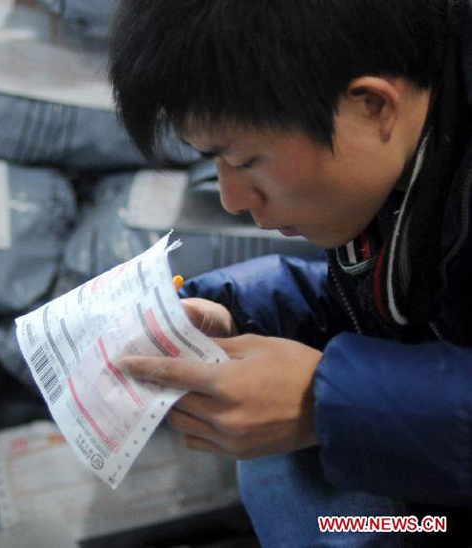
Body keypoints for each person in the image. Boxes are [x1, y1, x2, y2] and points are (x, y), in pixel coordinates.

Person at [109, 1, 471, 546]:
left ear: (373, 105)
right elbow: (395, 311)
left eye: (246, 160)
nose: (232, 198)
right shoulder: (405, 166)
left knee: (328, 511)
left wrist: (324, 403)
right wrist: (234, 312)